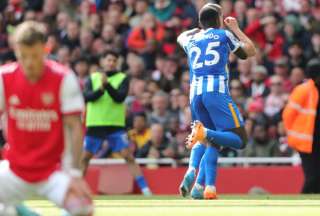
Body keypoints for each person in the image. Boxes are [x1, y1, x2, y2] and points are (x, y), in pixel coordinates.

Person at [0, 21, 93, 216]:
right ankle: (19, 212)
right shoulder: (4, 78)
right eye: (23, 56)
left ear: (45, 49)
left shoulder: (63, 78)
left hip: (55, 170)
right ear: (16, 51)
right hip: (16, 169)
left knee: (83, 208)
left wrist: (75, 173)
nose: (29, 63)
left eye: (35, 56)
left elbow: (75, 128)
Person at [177, 3, 256, 199]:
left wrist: (198, 28)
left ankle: (201, 185)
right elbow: (250, 51)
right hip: (216, 92)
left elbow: (180, 37)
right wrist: (236, 29)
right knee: (239, 138)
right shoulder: (223, 35)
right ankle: (202, 178)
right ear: (219, 20)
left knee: (211, 140)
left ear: (200, 22)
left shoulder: (191, 39)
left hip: (195, 95)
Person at [81, 50, 152, 196]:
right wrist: (102, 88)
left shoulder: (123, 78)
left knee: (128, 156)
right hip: (95, 124)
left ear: (117, 63)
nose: (111, 63)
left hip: (115, 125)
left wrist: (106, 86)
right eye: (108, 60)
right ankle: (77, 189)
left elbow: (119, 98)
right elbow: (87, 97)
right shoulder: (92, 78)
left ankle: (145, 190)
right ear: (102, 61)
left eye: (114, 60)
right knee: (85, 158)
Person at [283, 58, 320, 194]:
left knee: (316, 177)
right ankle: (303, 199)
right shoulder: (303, 90)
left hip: (314, 141)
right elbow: (288, 115)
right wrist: (293, 135)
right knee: (313, 176)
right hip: (306, 142)